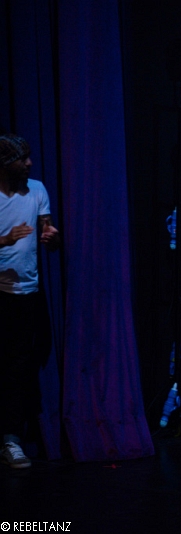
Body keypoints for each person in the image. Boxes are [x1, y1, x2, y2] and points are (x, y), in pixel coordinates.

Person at [0, 134, 60, 469]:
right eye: (21, 158)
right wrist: (5, 239)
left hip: (27, 294)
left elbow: (48, 232)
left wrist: (52, 238)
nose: (29, 164)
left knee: (20, 369)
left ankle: (11, 440)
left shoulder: (36, 190)